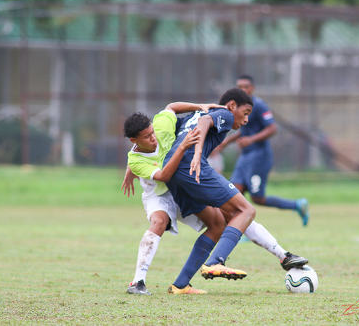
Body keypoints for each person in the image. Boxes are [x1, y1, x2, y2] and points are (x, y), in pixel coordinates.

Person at [163, 88, 305, 293]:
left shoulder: (195, 114)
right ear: (232, 106)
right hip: (191, 166)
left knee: (217, 223)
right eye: (246, 112)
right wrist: (197, 153)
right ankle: (215, 262)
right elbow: (205, 124)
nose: (246, 120)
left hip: (172, 170)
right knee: (246, 210)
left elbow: (171, 115)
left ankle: (180, 284)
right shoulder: (225, 113)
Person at [123, 101, 227, 295]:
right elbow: (163, 176)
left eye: (152, 132)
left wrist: (200, 106)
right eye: (146, 137)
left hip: (180, 190)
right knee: (159, 221)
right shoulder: (135, 160)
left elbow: (171, 107)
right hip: (158, 195)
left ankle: (282, 255)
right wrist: (183, 146)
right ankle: (138, 282)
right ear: (133, 140)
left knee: (225, 217)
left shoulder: (161, 125)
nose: (153, 138)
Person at [213, 75, 310, 226]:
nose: (242, 89)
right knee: (234, 193)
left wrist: (251, 140)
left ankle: (296, 205)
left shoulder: (258, 105)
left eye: (245, 86)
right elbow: (244, 130)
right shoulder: (241, 107)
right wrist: (225, 143)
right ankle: (242, 228)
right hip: (245, 157)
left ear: (252, 88)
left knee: (257, 198)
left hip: (259, 157)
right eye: (239, 86)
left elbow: (272, 128)